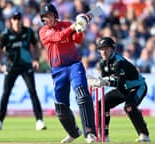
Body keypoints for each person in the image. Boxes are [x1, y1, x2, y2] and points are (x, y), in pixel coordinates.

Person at [39, 3, 96, 143]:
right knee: (60, 107)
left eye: (50, 16)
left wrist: (80, 28)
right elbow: (58, 37)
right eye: (45, 17)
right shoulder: (43, 31)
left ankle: (89, 133)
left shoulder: (66, 24)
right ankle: (73, 132)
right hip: (58, 70)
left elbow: (78, 40)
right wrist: (73, 26)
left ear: (55, 15)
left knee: (82, 94)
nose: (48, 19)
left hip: (74, 65)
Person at [0, 9, 46, 131]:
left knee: (33, 92)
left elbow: (36, 45)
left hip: (26, 66)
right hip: (11, 67)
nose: (17, 21)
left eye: (19, 18)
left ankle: (39, 121)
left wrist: (36, 59)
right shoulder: (6, 34)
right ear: (11, 21)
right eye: (15, 19)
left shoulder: (28, 32)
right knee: (6, 93)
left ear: (21, 20)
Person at [88, 37, 150, 142]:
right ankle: (104, 135)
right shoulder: (103, 63)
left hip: (137, 87)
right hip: (122, 89)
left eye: (106, 48)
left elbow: (120, 82)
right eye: (101, 49)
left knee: (129, 107)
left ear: (112, 49)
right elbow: (108, 79)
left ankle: (144, 134)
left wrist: (106, 82)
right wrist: (98, 82)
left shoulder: (119, 62)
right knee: (101, 105)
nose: (103, 51)